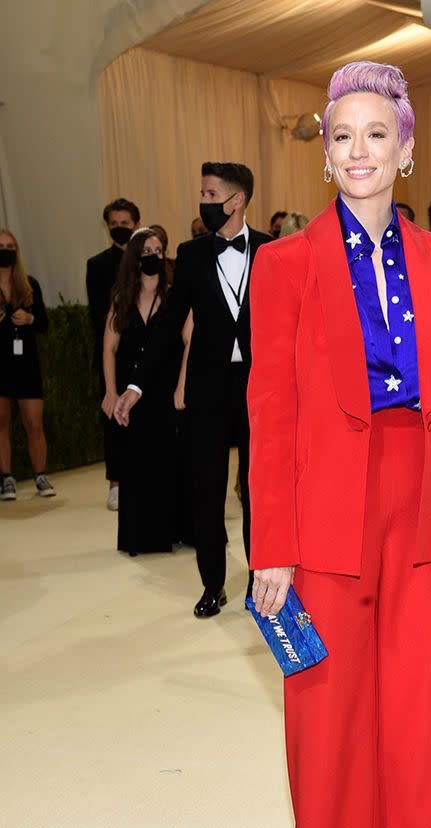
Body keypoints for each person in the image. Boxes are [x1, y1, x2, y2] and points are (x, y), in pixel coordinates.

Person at [248, 60, 431, 828]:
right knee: (329, 731)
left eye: (374, 134)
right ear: (323, 157)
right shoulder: (285, 265)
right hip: (322, 513)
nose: (356, 151)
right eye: (339, 136)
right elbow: (267, 410)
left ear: (406, 148)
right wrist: (272, 545)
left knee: (417, 724)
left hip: (420, 503)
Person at [114, 163, 271, 616]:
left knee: (257, 490)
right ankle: (212, 584)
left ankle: (260, 581)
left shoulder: (272, 250)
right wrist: (138, 383)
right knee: (207, 490)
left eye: (210, 192)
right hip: (207, 389)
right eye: (201, 192)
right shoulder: (191, 253)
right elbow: (165, 327)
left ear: (236, 200)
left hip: (259, 390)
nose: (202, 200)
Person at [102, 227, 178, 555]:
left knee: (166, 462)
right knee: (134, 462)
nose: (153, 257)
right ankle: (137, 536)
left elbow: (186, 342)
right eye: (146, 251)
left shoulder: (174, 295)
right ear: (135, 257)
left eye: (159, 250)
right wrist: (109, 391)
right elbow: (109, 348)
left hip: (163, 391)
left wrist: (182, 387)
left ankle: (168, 532)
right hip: (129, 394)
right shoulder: (122, 298)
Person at [86, 197, 141, 511]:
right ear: (107, 226)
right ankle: (115, 483)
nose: (120, 228)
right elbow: (98, 314)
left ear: (135, 224)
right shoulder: (97, 265)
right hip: (112, 354)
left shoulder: (145, 257)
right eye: (114, 224)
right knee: (113, 418)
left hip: (144, 353)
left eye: (125, 223)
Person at [0, 229, 55, 500]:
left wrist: (30, 319)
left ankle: (40, 475)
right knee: (1, 422)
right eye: (1, 246)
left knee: (34, 422)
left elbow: (44, 323)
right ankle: (6, 478)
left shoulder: (29, 284)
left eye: (11, 246)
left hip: (26, 364)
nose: (6, 250)